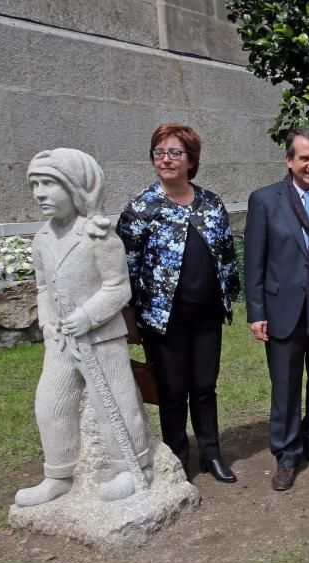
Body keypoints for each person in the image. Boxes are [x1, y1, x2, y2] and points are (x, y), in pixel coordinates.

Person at [16, 148, 152, 506]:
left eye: (49, 184)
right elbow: (43, 287)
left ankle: (133, 466)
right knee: (51, 402)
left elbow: (118, 288)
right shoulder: (42, 239)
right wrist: (49, 324)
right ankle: (58, 473)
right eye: (35, 185)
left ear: (76, 187)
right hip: (62, 340)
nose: (40, 193)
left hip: (101, 337)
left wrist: (88, 316)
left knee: (117, 403)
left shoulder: (99, 236)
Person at [117, 123, 241, 483]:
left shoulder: (210, 202)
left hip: (206, 315)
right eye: (159, 152)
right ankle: (176, 457)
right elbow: (124, 265)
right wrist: (128, 316)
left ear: (191, 161)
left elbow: (227, 254)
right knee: (172, 391)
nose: (166, 159)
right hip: (161, 319)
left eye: (175, 153)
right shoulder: (141, 207)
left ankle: (211, 454)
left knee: (204, 386)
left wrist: (228, 294)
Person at [244, 127, 309, 492]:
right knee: (286, 385)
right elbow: (254, 261)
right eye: (304, 158)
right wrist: (256, 311)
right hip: (283, 308)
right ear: (289, 160)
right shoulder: (264, 200)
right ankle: (287, 454)